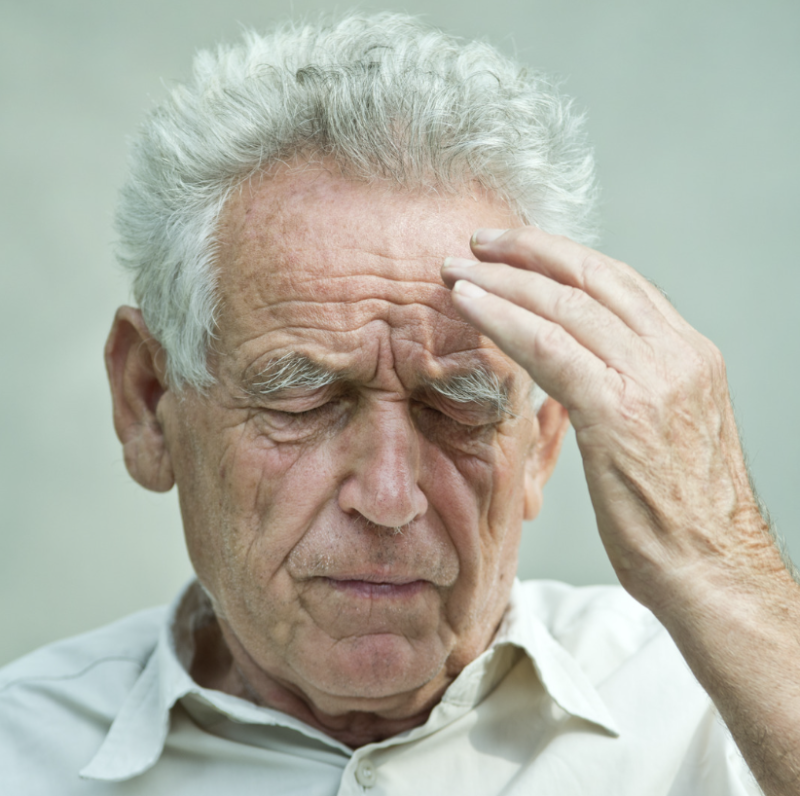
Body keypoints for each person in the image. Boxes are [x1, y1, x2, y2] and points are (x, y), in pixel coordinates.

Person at [1, 12, 798, 795]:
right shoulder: (23, 751)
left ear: (544, 441)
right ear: (148, 402)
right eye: (305, 401)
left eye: (457, 408)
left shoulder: (712, 709)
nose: (388, 498)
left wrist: (710, 552)